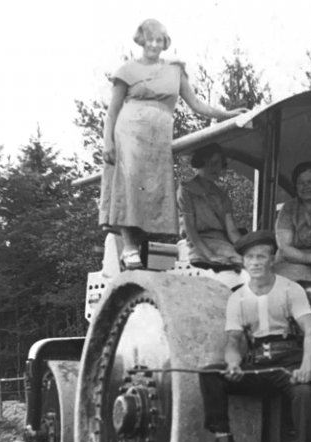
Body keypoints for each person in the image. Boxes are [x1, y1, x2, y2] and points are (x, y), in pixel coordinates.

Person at [100, 18, 248, 270]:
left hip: (158, 140)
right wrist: (108, 143)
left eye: (159, 40)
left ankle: (135, 247)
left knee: (153, 194)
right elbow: (112, 111)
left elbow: (196, 104)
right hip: (129, 134)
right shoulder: (127, 70)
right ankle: (130, 247)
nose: (154, 44)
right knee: (130, 189)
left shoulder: (174, 70)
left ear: (165, 42)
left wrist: (225, 115)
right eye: (149, 39)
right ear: (141, 41)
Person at [191, 230, 311, 442]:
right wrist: (233, 364)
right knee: (211, 374)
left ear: (272, 260)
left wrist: (306, 368)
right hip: (258, 367)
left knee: (304, 393)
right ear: (243, 262)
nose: (256, 262)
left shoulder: (291, 290)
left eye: (262, 257)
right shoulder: (237, 298)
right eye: (250, 258)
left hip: (288, 366)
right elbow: (233, 341)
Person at [177, 143, 243, 268]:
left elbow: (232, 231)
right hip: (197, 245)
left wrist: (248, 251)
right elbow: (190, 230)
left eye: (218, 163)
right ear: (199, 162)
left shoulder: (222, 196)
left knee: (245, 263)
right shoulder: (186, 190)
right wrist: (211, 256)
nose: (215, 168)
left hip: (223, 245)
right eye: (210, 162)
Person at [273, 161, 311, 282]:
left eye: (310, 182)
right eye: (301, 183)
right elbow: (285, 248)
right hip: (289, 263)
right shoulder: (288, 208)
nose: (305, 187)